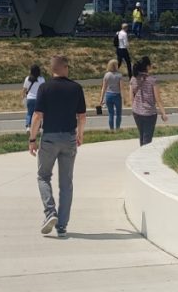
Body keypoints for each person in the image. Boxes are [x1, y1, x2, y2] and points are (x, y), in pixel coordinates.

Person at [29, 54, 86, 237]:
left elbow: (37, 116)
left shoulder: (44, 88)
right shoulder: (76, 88)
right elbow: (82, 117)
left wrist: (32, 139)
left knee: (43, 176)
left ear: (52, 69)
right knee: (66, 183)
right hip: (69, 138)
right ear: (65, 67)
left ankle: (50, 212)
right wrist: (80, 134)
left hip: (49, 138)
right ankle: (62, 225)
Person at [127, 55, 168, 145]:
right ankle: (144, 153)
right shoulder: (152, 80)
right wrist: (163, 113)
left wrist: (135, 107)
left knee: (142, 136)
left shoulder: (133, 79)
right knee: (147, 140)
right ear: (147, 67)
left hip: (136, 112)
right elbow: (158, 99)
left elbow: (131, 98)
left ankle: (141, 151)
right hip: (149, 113)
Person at [100, 59, 124, 131]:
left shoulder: (106, 75)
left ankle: (111, 129)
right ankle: (117, 128)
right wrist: (123, 97)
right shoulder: (119, 75)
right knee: (118, 114)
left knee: (111, 114)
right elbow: (121, 88)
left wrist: (101, 98)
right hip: (117, 95)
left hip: (108, 95)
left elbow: (104, 88)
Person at [22, 63, 44, 129]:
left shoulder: (27, 78)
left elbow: (24, 89)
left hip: (30, 99)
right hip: (38, 99)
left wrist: (23, 97)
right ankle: (37, 128)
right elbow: (44, 89)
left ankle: (28, 127)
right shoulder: (41, 79)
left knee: (29, 113)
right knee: (38, 114)